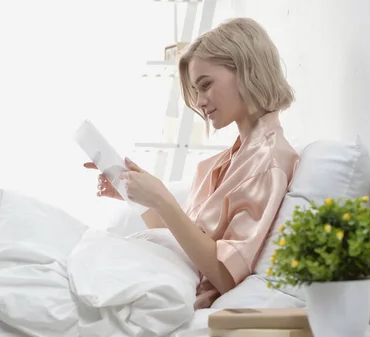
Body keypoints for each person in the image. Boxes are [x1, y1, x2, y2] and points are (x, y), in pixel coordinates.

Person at [84, 17, 299, 309]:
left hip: (175, 293)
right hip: (165, 274)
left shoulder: (269, 161)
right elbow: (182, 245)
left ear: (247, 70)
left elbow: (225, 275)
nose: (199, 101)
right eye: (196, 91)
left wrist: (163, 199)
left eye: (205, 85)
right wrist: (137, 194)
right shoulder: (227, 160)